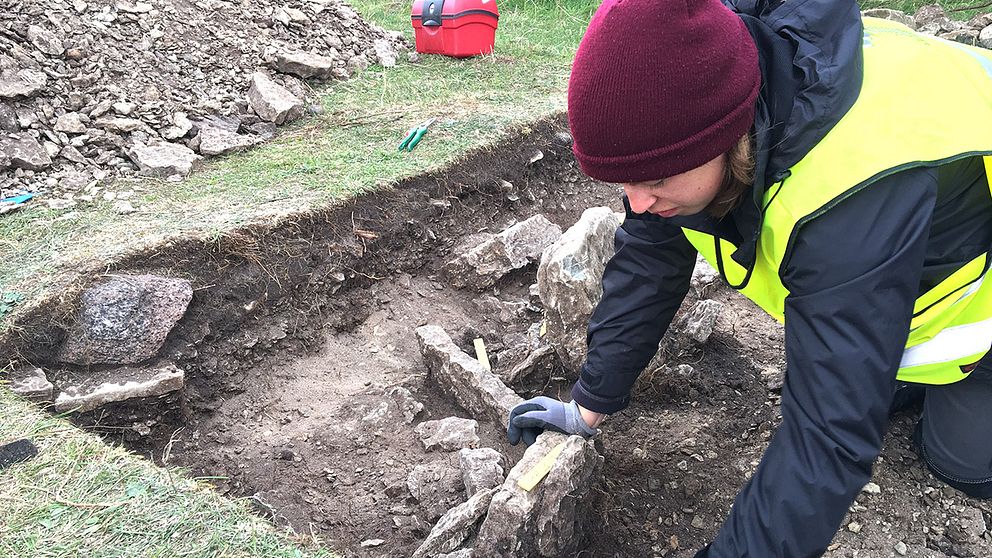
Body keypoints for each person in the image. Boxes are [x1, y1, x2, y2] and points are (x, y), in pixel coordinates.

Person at [504, 0, 992, 556]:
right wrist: (589, 402)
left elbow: (827, 439)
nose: (636, 201)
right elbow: (649, 260)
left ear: (722, 136)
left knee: (963, 470)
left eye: (656, 178)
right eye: (625, 180)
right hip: (899, 271)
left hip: (976, 292)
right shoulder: (702, 118)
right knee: (863, 376)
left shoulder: (846, 195)